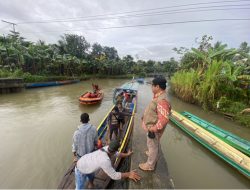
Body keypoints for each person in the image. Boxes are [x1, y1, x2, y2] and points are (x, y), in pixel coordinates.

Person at [76, 140, 141, 189]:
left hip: (86, 161)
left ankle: (91, 185)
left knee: (91, 176)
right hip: (80, 168)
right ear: (115, 150)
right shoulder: (105, 160)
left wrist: (127, 154)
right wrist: (129, 174)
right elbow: (114, 176)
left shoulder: (107, 148)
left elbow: (117, 154)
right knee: (79, 187)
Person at [139, 77, 171, 171]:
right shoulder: (159, 96)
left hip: (153, 129)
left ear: (157, 86)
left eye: (152, 86)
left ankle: (150, 165)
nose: (151, 88)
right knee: (152, 145)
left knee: (153, 145)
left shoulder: (162, 100)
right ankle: (152, 154)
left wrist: (154, 129)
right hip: (151, 126)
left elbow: (164, 119)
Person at [72, 113, 98, 189]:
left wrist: (74, 157)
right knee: (91, 171)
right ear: (89, 120)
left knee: (79, 181)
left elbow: (74, 147)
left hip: (80, 158)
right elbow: (96, 142)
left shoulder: (76, 133)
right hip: (90, 157)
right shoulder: (93, 129)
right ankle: (91, 184)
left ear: (80, 120)